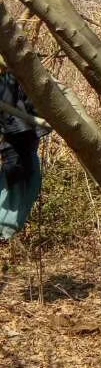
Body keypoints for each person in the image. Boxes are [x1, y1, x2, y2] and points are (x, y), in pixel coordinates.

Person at [0, 61, 47, 241]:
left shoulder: (16, 80)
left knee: (22, 180)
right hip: (20, 137)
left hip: (21, 136)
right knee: (23, 180)